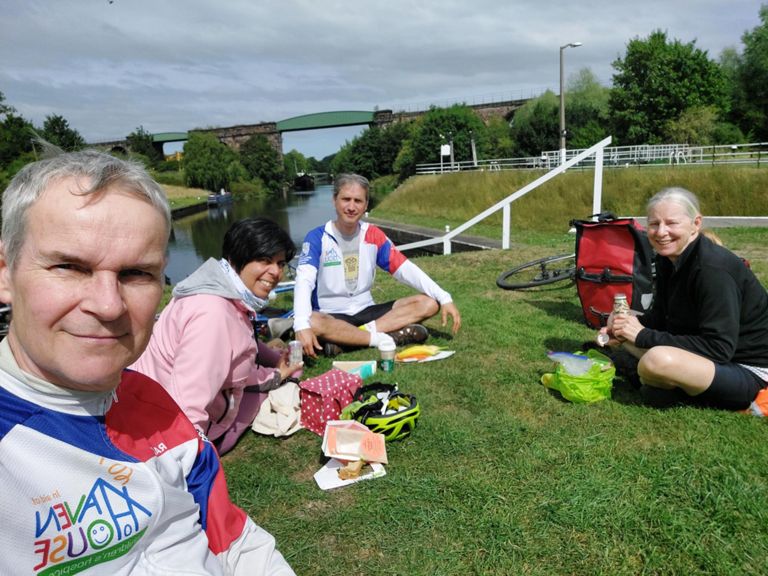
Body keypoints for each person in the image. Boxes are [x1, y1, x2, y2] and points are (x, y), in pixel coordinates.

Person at [0, 150, 294, 575]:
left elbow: (237, 543)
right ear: (6, 274)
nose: (107, 305)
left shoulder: (156, 408)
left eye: (136, 274)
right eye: (69, 266)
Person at [132, 217, 303, 455]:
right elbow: (189, 403)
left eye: (280, 263)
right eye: (264, 260)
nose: (275, 272)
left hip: (146, 403)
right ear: (237, 258)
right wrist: (277, 375)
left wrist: (272, 358)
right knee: (282, 384)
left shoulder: (214, 287)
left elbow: (241, 342)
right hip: (165, 429)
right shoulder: (214, 315)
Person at [599, 187, 768, 409]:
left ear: (695, 224)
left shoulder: (713, 270)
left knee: (656, 360)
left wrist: (642, 335)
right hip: (704, 352)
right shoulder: (667, 259)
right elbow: (661, 317)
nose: (661, 232)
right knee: (619, 317)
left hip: (745, 369)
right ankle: (656, 379)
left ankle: (659, 384)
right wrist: (621, 329)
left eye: (671, 223)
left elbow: (719, 347)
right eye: (654, 224)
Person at [293, 173, 461, 358]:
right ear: (334, 200)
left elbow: (405, 269)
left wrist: (444, 297)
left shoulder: (373, 234)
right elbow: (304, 280)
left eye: (358, 201)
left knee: (428, 303)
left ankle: (351, 339)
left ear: (365, 205)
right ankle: (381, 338)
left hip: (367, 310)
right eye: (345, 199)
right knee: (313, 321)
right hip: (331, 313)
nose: (351, 207)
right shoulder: (317, 237)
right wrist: (301, 324)